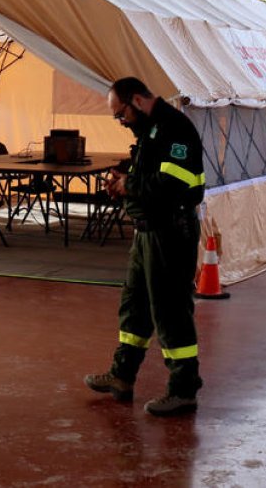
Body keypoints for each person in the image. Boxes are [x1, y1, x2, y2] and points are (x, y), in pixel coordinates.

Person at [84, 76, 206, 417]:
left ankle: (183, 390)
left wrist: (130, 185)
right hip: (147, 231)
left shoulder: (174, 129)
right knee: (134, 304)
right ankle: (122, 376)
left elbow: (172, 184)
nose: (120, 122)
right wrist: (125, 181)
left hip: (170, 231)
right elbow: (150, 175)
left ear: (136, 100)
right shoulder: (150, 131)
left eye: (120, 114)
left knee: (169, 309)